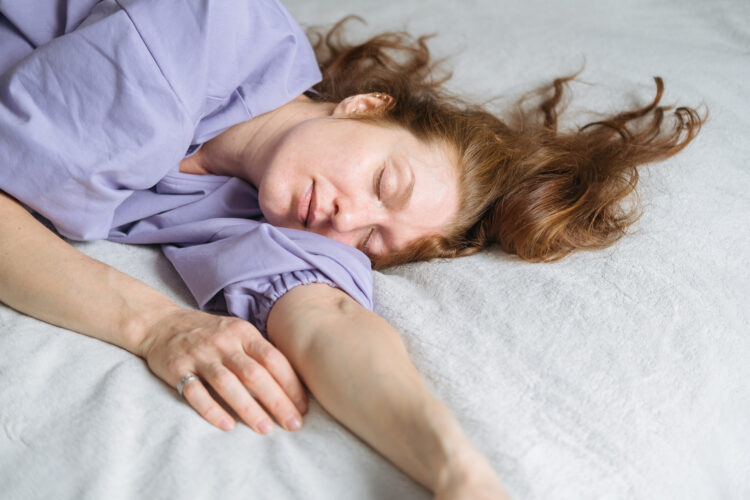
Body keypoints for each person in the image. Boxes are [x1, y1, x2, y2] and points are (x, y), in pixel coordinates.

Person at [0, 1, 704, 499]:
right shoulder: (198, 37)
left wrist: (459, 472)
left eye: (373, 240)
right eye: (382, 182)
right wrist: (156, 325)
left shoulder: (267, 212)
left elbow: (331, 321)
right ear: (364, 105)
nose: (347, 217)